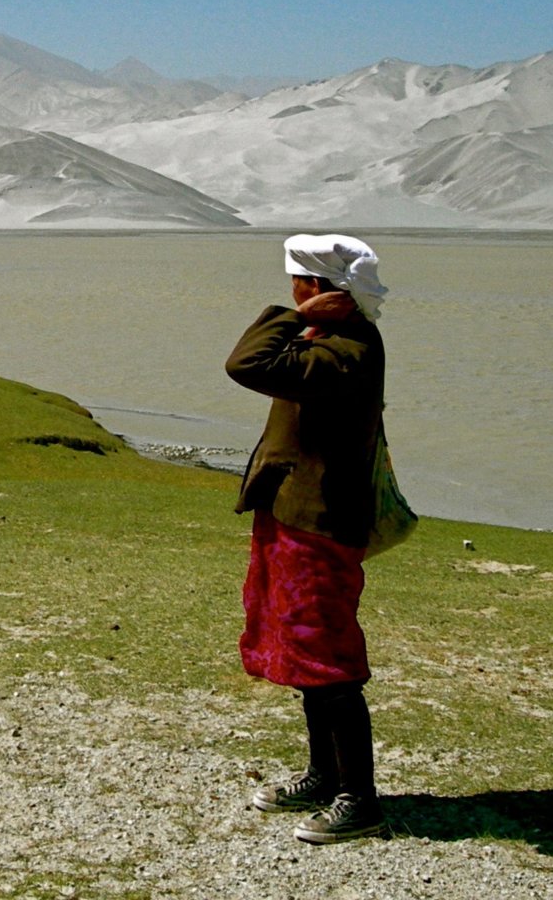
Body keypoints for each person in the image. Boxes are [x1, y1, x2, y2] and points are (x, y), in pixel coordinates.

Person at [224, 233, 390, 844]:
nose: (290, 290)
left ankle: (360, 800)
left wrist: (292, 319)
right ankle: (325, 775)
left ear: (317, 291)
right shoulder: (329, 340)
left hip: (320, 521)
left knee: (328, 656)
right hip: (295, 513)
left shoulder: (347, 349)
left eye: (298, 283)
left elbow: (245, 364)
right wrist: (303, 322)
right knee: (301, 650)